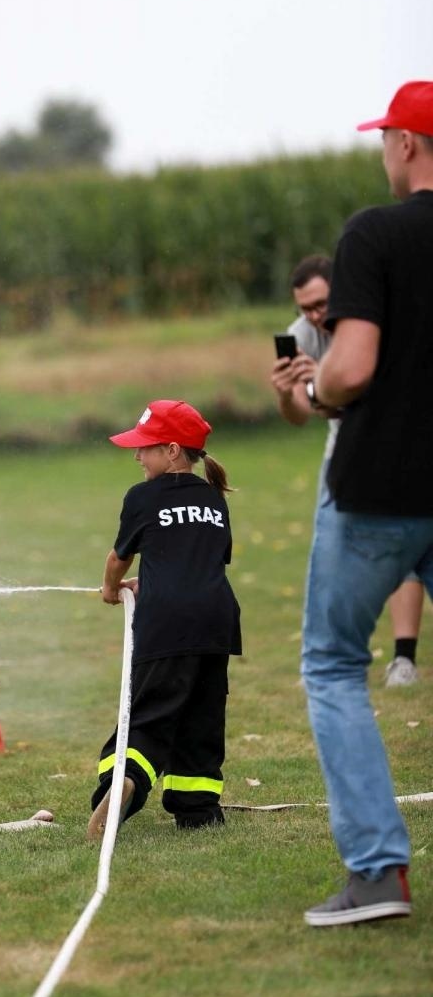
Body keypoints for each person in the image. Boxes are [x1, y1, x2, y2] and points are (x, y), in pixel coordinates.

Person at [299, 80, 433, 926]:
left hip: (381, 486)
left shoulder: (375, 233)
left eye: (387, 137)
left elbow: (349, 367)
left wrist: (312, 388)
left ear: (409, 145)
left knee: (333, 664)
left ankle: (378, 876)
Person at [87, 399, 241, 838]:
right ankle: (198, 811)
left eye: (145, 447)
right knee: (201, 716)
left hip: (165, 626)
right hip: (215, 623)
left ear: (172, 450)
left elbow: (120, 556)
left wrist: (111, 588)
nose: (137, 456)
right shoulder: (214, 498)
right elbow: (201, 561)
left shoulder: (142, 497)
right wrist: (149, 582)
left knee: (150, 715)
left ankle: (123, 784)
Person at [271, 255, 425, 687]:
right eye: (305, 308)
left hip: (402, 452)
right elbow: (303, 414)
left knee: (406, 552)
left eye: (321, 304)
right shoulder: (300, 335)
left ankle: (403, 658)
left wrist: (321, 382)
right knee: (327, 551)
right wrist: (288, 394)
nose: (314, 316)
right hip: (345, 457)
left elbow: (361, 396)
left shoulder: (372, 319)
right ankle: (325, 658)